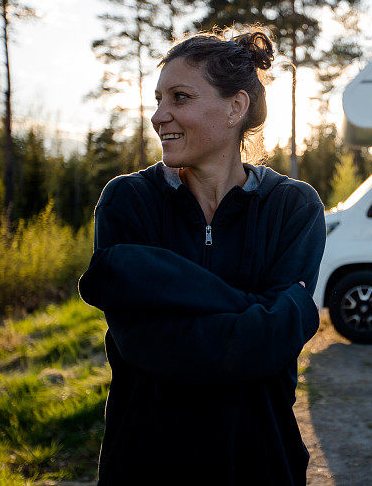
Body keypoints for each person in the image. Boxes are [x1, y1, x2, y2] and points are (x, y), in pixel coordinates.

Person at [77, 28, 326, 485]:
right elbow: (142, 340)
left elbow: (277, 344)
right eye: (157, 99)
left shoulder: (294, 208)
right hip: (146, 465)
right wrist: (262, 311)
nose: (159, 116)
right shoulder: (128, 201)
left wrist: (161, 286)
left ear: (235, 108)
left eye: (180, 97)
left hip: (261, 461)